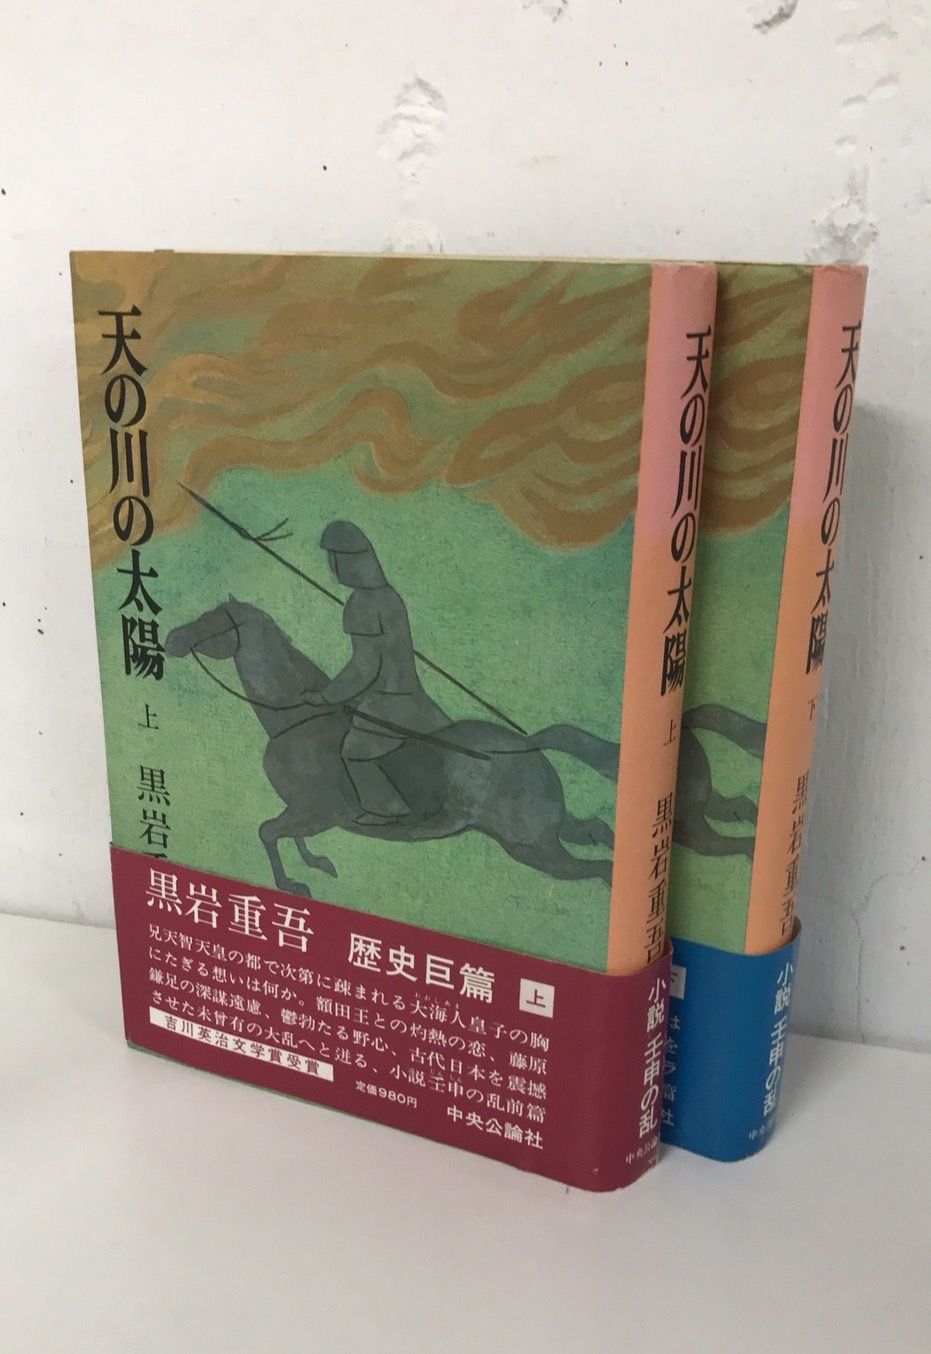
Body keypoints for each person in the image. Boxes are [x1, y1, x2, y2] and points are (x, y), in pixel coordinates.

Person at [305, 521, 449, 825]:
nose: (331, 567)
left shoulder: (362, 604)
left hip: (390, 700)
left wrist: (325, 696)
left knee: (353, 749)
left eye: (333, 559)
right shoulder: (388, 596)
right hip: (413, 698)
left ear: (346, 561)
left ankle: (385, 809)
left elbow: (365, 669)